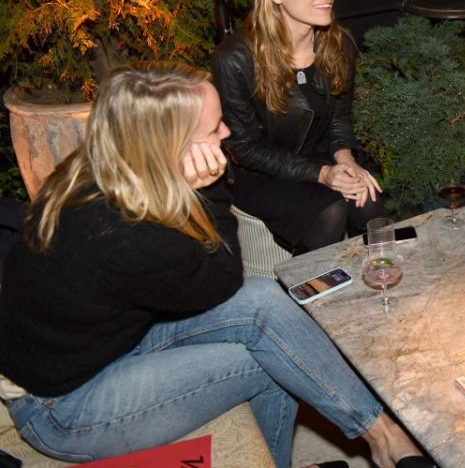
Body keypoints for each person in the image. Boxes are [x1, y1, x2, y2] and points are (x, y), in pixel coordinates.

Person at [0, 62, 433, 468]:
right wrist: (209, 191)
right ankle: (376, 438)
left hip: (99, 347)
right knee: (272, 361)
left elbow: (229, 288)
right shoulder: (119, 233)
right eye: (214, 128)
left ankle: (381, 432)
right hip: (63, 405)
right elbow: (223, 279)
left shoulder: (105, 169)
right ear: (170, 146)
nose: (227, 131)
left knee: (266, 298)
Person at [213, 0, 385, 254]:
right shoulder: (235, 59)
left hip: (316, 157)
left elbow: (339, 120)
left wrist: (346, 162)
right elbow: (245, 148)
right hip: (260, 172)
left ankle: (374, 288)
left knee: (370, 202)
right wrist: (322, 174)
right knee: (329, 212)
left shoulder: (338, 45)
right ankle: (309, 296)